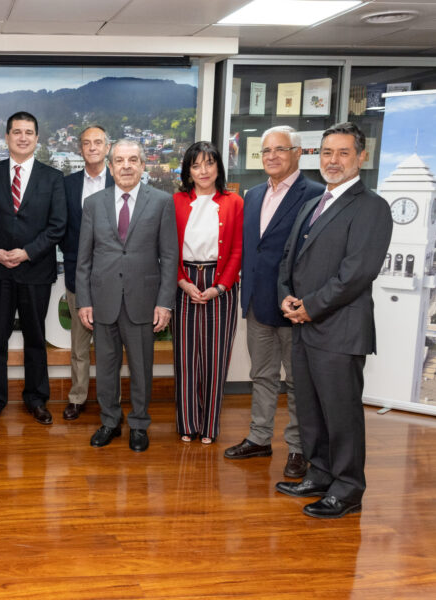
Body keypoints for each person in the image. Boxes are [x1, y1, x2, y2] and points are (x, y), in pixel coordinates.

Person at [275, 122, 392, 519]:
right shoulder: (313, 202)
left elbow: (357, 272)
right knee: (310, 408)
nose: (334, 161)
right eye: (327, 153)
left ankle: (347, 488)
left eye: (343, 153)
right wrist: (286, 296)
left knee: (341, 414)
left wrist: (310, 305)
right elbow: (289, 257)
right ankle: (320, 473)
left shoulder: (371, 206)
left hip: (339, 329)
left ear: (361, 157)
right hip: (306, 326)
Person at [224, 126, 325, 478]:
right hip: (256, 303)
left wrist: (306, 299)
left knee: (297, 382)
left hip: (294, 306)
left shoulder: (315, 194)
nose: (272, 156)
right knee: (262, 375)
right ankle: (259, 437)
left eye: (280, 149)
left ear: (298, 153)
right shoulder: (252, 195)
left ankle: (298, 448)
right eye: (266, 151)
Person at [76, 139, 177, 451]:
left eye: (133, 160)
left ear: (143, 165)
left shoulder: (161, 202)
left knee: (141, 368)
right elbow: (84, 259)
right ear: (110, 166)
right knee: (105, 367)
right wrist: (84, 301)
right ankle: (109, 421)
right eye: (119, 160)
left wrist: (164, 303)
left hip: (143, 301)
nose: (126, 166)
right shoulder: (93, 204)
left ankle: (139, 424)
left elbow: (170, 257)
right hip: (103, 300)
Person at [0, 111, 67, 426]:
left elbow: (58, 226)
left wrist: (27, 252)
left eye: (29, 132)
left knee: (35, 337)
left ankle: (36, 398)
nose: (23, 137)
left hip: (35, 270)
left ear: (37, 138)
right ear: (6, 137)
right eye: (17, 132)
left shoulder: (53, 178)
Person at [173, 141, 243, 445]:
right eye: (196, 165)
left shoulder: (234, 202)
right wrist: (182, 281)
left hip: (220, 281)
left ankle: (210, 425)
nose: (203, 171)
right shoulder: (174, 201)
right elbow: (165, 248)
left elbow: (239, 249)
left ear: (218, 167)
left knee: (216, 358)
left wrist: (220, 286)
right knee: (186, 357)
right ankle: (188, 423)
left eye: (209, 163)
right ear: (188, 171)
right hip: (185, 279)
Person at [61, 125, 114, 421]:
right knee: (79, 346)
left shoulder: (120, 181)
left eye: (98, 142)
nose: (92, 147)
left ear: (107, 147)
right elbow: (61, 227)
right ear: (80, 149)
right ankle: (77, 398)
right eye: (86, 143)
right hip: (76, 275)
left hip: (112, 278)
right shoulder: (67, 185)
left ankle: (110, 402)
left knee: (109, 347)